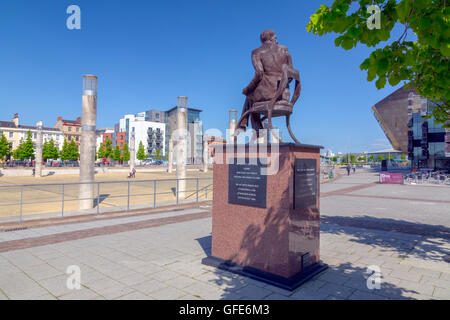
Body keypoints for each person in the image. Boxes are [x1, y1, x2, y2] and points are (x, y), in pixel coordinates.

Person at [237, 29, 298, 136]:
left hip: (268, 93)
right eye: (276, 38)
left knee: (249, 95)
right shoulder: (285, 50)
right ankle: (251, 127)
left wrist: (247, 88)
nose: (277, 41)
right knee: (251, 95)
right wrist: (282, 85)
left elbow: (259, 74)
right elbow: (291, 75)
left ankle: (250, 127)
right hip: (284, 95)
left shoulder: (257, 52)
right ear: (272, 38)